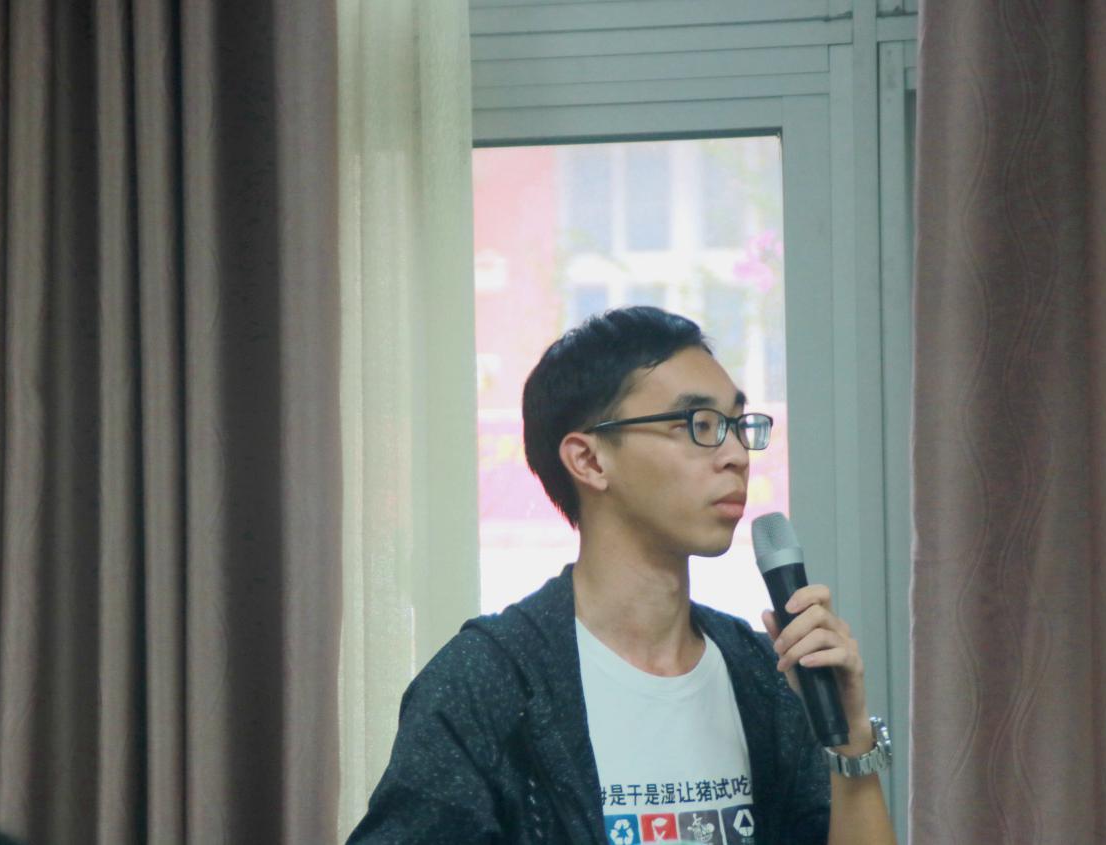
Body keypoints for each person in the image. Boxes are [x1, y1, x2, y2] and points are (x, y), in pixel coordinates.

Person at [348, 306, 897, 844]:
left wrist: (850, 738)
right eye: (699, 425)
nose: (735, 454)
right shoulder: (487, 683)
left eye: (735, 424)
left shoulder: (763, 674)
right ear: (589, 461)